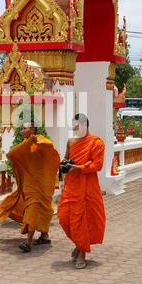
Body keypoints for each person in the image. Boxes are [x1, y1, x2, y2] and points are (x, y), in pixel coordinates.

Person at [0, 122, 60, 252]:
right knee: (33, 209)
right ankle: (44, 236)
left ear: (32, 129)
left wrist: (36, 141)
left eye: (24, 128)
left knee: (43, 210)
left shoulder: (42, 141)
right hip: (30, 185)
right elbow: (11, 154)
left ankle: (29, 242)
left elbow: (50, 148)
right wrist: (29, 142)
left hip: (42, 184)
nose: (22, 131)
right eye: (22, 128)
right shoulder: (25, 144)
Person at [58, 114, 106, 269]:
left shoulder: (96, 143)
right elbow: (66, 158)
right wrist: (62, 165)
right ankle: (79, 244)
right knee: (64, 218)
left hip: (87, 185)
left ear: (84, 126)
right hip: (71, 185)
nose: (74, 129)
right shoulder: (71, 141)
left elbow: (97, 165)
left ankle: (82, 253)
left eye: (76, 127)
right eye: (73, 126)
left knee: (82, 219)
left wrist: (77, 167)